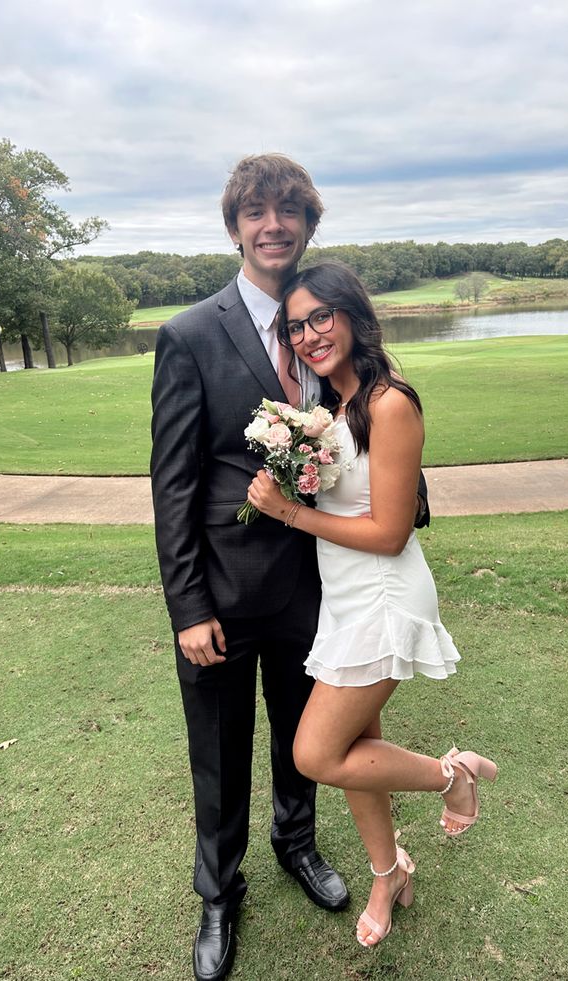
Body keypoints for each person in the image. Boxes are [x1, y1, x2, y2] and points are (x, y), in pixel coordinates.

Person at [150, 155, 429, 981]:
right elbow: (173, 484)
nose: (274, 224)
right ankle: (218, 889)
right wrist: (186, 604)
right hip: (223, 596)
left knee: (301, 739)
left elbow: (373, 439)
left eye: (290, 211)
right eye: (257, 212)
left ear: (308, 224)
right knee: (220, 744)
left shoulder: (321, 328)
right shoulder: (190, 333)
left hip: (319, 589)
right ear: (235, 226)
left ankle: (297, 843)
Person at [247, 261, 498, 949]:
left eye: (320, 316)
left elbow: (389, 535)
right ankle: (388, 872)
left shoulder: (390, 403)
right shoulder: (329, 411)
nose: (308, 334)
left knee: (315, 752)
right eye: (296, 325)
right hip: (343, 601)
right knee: (358, 747)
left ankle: (454, 773)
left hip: (385, 599)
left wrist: (289, 515)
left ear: (354, 314)